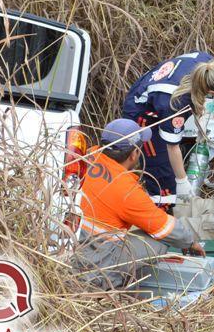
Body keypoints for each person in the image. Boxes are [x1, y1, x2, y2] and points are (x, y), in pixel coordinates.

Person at [74, 119, 205, 290]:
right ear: (134, 154)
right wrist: (190, 242)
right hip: (94, 259)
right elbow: (165, 228)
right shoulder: (127, 190)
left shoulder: (87, 155)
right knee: (159, 241)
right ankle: (105, 281)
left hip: (71, 244)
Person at [121, 53, 214, 208]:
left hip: (151, 85)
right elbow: (172, 146)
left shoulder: (207, 62)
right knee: (162, 169)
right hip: (143, 114)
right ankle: (163, 206)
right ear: (213, 91)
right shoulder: (175, 103)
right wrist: (182, 181)